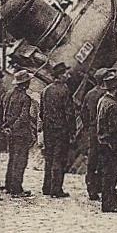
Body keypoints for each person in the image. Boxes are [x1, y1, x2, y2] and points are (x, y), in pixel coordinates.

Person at [39, 62, 76, 198]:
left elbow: (41, 113)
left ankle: (46, 187)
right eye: (66, 73)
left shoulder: (46, 90)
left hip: (48, 129)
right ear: (60, 76)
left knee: (49, 158)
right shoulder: (65, 90)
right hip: (61, 130)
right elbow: (69, 113)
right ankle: (56, 189)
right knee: (59, 159)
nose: (68, 75)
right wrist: (72, 131)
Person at [95, 70, 117, 213]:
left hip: (102, 141)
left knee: (107, 173)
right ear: (116, 89)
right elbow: (115, 128)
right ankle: (108, 204)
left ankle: (112, 200)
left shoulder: (103, 100)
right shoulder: (113, 105)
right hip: (111, 143)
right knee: (111, 174)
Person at [2, 69, 35, 197]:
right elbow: (23, 117)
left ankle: (8, 185)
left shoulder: (8, 94)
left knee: (12, 159)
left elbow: (3, 112)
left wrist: (7, 127)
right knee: (20, 160)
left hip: (9, 132)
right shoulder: (25, 98)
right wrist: (15, 128)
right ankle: (17, 189)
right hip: (20, 133)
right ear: (25, 83)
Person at [81, 69, 107, 201]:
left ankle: (91, 189)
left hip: (92, 130)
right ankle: (102, 188)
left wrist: (88, 126)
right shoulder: (106, 95)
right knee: (104, 160)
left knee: (92, 159)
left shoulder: (89, 94)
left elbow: (83, 112)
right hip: (104, 131)